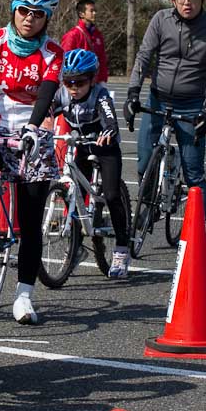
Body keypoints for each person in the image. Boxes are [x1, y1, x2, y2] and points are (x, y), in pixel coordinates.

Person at [0, 0, 63, 325]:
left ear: (46, 18)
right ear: (13, 9)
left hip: (33, 132)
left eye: (38, 14)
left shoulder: (53, 52)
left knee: (30, 218)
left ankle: (24, 295)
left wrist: (33, 128)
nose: (29, 18)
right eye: (24, 10)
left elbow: (46, 93)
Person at [123, 0, 206, 215]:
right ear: (172, 0)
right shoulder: (161, 20)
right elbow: (144, 56)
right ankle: (147, 209)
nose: (186, 3)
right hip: (158, 100)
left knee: (194, 173)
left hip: (192, 104)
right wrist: (132, 93)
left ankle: (197, 237)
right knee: (144, 161)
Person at [53, 49, 129, 277]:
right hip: (81, 147)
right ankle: (76, 244)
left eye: (80, 82)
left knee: (112, 195)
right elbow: (45, 109)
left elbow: (109, 118)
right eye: (68, 82)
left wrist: (108, 130)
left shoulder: (100, 95)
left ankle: (122, 250)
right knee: (71, 193)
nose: (74, 88)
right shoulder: (63, 95)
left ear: (92, 79)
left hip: (106, 148)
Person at [60, 0, 109, 85]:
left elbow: (102, 59)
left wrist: (102, 79)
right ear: (81, 14)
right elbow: (65, 60)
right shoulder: (73, 35)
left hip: (95, 81)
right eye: (91, 11)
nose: (94, 13)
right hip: (79, 82)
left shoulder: (97, 34)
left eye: (95, 11)